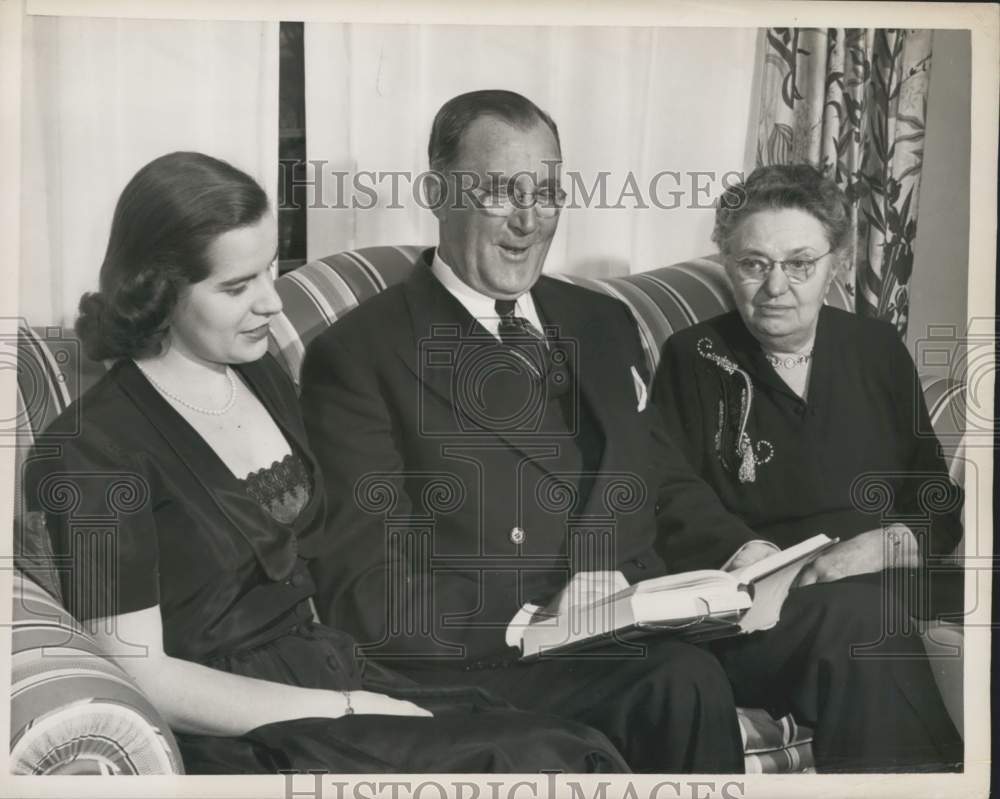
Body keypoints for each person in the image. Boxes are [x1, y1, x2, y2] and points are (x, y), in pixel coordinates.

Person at [23, 151, 632, 775]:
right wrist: (342, 708)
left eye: (270, 270)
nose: (272, 303)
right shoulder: (90, 451)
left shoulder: (258, 373)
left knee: (572, 740)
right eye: (236, 287)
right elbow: (140, 673)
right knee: (543, 759)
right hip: (244, 728)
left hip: (337, 669)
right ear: (157, 290)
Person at [299, 89, 761, 773]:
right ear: (436, 193)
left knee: (854, 627)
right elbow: (364, 589)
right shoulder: (360, 354)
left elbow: (657, 478)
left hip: (645, 619)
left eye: (545, 194)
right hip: (493, 656)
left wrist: (745, 552)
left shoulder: (602, 321)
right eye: (499, 192)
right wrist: (535, 616)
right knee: (679, 681)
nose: (527, 220)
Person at [651, 163, 964, 770]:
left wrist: (878, 547)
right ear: (728, 264)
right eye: (754, 263)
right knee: (863, 620)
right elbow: (669, 494)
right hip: (765, 609)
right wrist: (751, 555)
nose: (776, 286)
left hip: (879, 578)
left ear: (835, 265)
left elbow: (935, 499)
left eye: (799, 263)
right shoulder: (693, 358)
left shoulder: (877, 349)